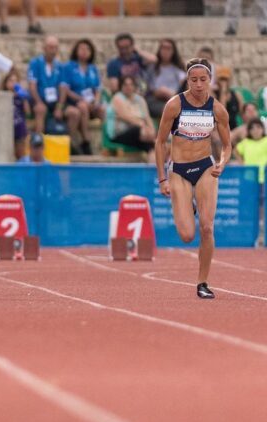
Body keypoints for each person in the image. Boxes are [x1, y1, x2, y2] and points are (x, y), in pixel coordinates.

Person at [154, 58, 231, 299]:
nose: (198, 84)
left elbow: (227, 145)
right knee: (187, 235)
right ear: (187, 81)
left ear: (210, 81)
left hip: (205, 167)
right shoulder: (174, 105)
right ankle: (189, 203)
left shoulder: (217, 109)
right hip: (179, 170)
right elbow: (159, 142)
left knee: (207, 228)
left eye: (203, 80)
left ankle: (202, 282)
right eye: (194, 80)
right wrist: (162, 179)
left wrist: (222, 163)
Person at [60, 38, 103, 155]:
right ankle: (86, 141)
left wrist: (96, 101)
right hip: (74, 102)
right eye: (82, 48)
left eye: (87, 49)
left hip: (91, 102)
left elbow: (98, 89)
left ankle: (107, 144)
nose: (84, 51)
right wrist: (81, 99)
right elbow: (66, 89)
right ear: (76, 51)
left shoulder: (93, 68)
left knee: (104, 110)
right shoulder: (68, 67)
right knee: (82, 107)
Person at [27, 35, 67, 135]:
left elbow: (63, 88)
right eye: (50, 47)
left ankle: (71, 144)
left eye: (55, 48)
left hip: (55, 101)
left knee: (72, 113)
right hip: (40, 99)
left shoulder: (60, 66)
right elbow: (32, 86)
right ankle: (38, 140)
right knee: (41, 109)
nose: (53, 50)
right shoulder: (35, 63)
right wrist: (39, 102)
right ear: (44, 48)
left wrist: (60, 106)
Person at [106, 75, 155, 153]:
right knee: (139, 131)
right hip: (119, 134)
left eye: (131, 84)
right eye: (125, 85)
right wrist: (143, 125)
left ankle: (153, 158)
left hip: (138, 134)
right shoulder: (117, 98)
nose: (128, 87)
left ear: (134, 86)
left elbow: (147, 117)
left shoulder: (140, 100)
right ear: (121, 86)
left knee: (149, 147)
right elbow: (127, 117)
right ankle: (154, 142)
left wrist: (152, 130)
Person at [145, 38, 186, 118]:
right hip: (155, 99)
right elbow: (149, 87)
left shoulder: (177, 69)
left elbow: (184, 83)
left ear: (173, 51)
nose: (165, 51)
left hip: (175, 98)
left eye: (168, 49)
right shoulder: (152, 67)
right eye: (163, 48)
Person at [1, 68, 31, 160]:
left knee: (20, 154)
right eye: (10, 80)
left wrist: (24, 98)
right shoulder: (2, 96)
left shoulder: (20, 97)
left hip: (19, 128)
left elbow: (28, 112)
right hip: (6, 130)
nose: (13, 83)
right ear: (6, 83)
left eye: (15, 81)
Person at [233, 119, 267, 186]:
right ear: (249, 131)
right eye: (252, 128)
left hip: (264, 178)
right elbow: (235, 151)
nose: (255, 131)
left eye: (258, 127)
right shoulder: (246, 142)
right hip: (249, 177)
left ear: (262, 129)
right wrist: (241, 163)